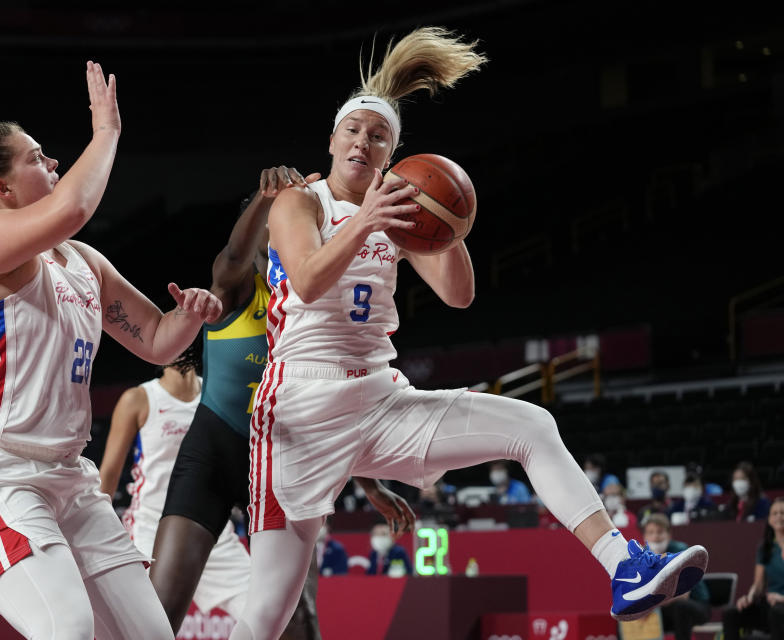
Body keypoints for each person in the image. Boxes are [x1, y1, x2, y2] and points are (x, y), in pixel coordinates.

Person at [228, 27, 709, 640]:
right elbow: (308, 277)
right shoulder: (301, 203)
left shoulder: (399, 213)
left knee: (532, 425)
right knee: (268, 613)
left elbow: (459, 296)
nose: (362, 141)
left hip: (378, 398)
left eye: (379, 136)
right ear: (332, 139)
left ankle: (624, 566)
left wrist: (450, 220)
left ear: (391, 155)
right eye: (353, 130)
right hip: (300, 405)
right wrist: (368, 220)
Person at [0, 62, 221, 639]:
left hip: (68, 479)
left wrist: (191, 315)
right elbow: (73, 208)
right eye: (36, 157)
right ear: (2, 190)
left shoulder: (82, 261)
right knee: (68, 629)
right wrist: (105, 132)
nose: (52, 162)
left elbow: (156, 342)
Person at [148, 166, 415, 638]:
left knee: (297, 622)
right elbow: (233, 254)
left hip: (282, 460)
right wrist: (268, 199)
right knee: (157, 610)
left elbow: (340, 397)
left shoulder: (318, 306)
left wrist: (369, 483)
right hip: (215, 451)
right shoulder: (236, 289)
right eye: (276, 227)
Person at [97, 350, 253, 626]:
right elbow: (108, 474)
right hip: (149, 534)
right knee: (147, 628)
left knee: (266, 614)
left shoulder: (216, 392)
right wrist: (96, 539)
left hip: (212, 533)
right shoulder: (139, 399)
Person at [722, 496, 784, 640]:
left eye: (783, 512)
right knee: (731, 613)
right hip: (771, 606)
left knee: (777, 612)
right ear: (769, 519)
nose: (779, 516)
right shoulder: (765, 548)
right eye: (775, 513)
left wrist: (782, 598)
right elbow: (758, 584)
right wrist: (749, 597)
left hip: (780, 608)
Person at [642, 514, 710, 640]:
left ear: (668, 535)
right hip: (665, 609)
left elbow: (683, 595)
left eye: (660, 532)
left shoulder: (681, 552)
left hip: (696, 607)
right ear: (644, 537)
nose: (655, 537)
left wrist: (652, 606)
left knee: (680, 607)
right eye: (650, 533)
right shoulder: (643, 558)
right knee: (627, 616)